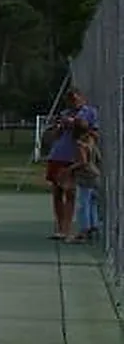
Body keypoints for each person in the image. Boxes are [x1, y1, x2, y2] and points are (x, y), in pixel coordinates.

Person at [45, 90, 100, 241]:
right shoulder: (64, 113)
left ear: (82, 98)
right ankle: (60, 227)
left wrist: (77, 124)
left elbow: (95, 134)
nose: (73, 102)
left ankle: (67, 228)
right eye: (70, 100)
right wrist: (61, 126)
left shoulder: (90, 112)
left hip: (73, 158)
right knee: (57, 193)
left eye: (75, 99)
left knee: (70, 193)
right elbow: (54, 136)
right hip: (57, 155)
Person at [72, 123, 102, 243]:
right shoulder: (92, 142)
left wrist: (70, 168)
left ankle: (84, 231)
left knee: (83, 204)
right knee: (92, 203)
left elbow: (83, 162)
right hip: (96, 175)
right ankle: (94, 226)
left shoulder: (81, 145)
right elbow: (99, 159)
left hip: (86, 177)